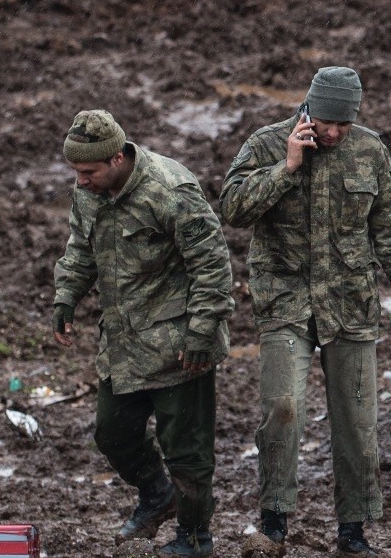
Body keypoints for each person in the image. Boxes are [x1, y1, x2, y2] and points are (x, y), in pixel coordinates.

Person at [222, 67, 391, 556]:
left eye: (343, 124)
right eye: (325, 122)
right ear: (308, 109)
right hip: (285, 300)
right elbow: (232, 209)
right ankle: (274, 521)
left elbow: (390, 227)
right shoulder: (267, 143)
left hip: (350, 303)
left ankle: (353, 531)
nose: (333, 132)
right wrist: (287, 167)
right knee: (283, 407)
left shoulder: (370, 150)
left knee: (357, 420)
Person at [52, 110, 234, 558]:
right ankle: (157, 495)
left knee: (186, 450)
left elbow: (212, 265)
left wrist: (201, 334)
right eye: (76, 171)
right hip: (123, 344)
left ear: (117, 158)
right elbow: (81, 248)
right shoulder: (89, 192)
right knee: (112, 433)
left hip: (180, 346)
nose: (80, 181)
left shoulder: (170, 189)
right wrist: (66, 296)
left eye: (88, 172)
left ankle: (195, 538)